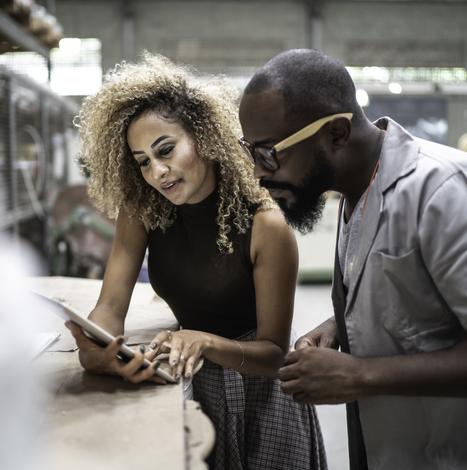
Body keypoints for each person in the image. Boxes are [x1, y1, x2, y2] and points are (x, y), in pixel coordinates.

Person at [66, 52, 327, 470]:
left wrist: (203, 340)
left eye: (166, 150)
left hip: (263, 399)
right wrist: (99, 351)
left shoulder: (266, 225)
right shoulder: (143, 212)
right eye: (143, 163)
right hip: (190, 379)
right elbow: (111, 307)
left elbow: (275, 354)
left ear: (204, 138)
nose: (158, 172)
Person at [238, 48, 467, 470]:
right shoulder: (355, 191)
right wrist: (339, 325)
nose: (257, 172)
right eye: (250, 152)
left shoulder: (442, 192)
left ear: (337, 133)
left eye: (269, 153)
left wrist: (359, 374)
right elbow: (413, 294)